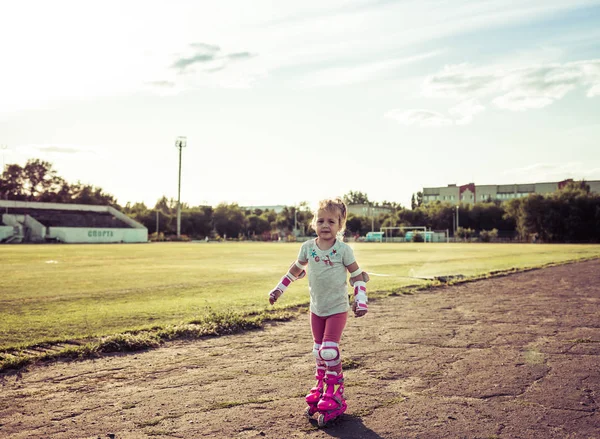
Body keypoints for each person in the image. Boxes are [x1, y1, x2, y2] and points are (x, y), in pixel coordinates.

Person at [268, 197, 369, 426]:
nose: (325, 225)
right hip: (316, 309)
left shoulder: (344, 250)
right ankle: (322, 385)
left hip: (337, 309)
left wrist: (360, 299)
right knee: (318, 352)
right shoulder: (307, 248)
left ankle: (335, 392)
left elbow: (357, 275)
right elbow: (295, 270)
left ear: (339, 225)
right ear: (313, 222)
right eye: (321, 220)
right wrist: (278, 290)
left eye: (331, 221)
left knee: (329, 350)